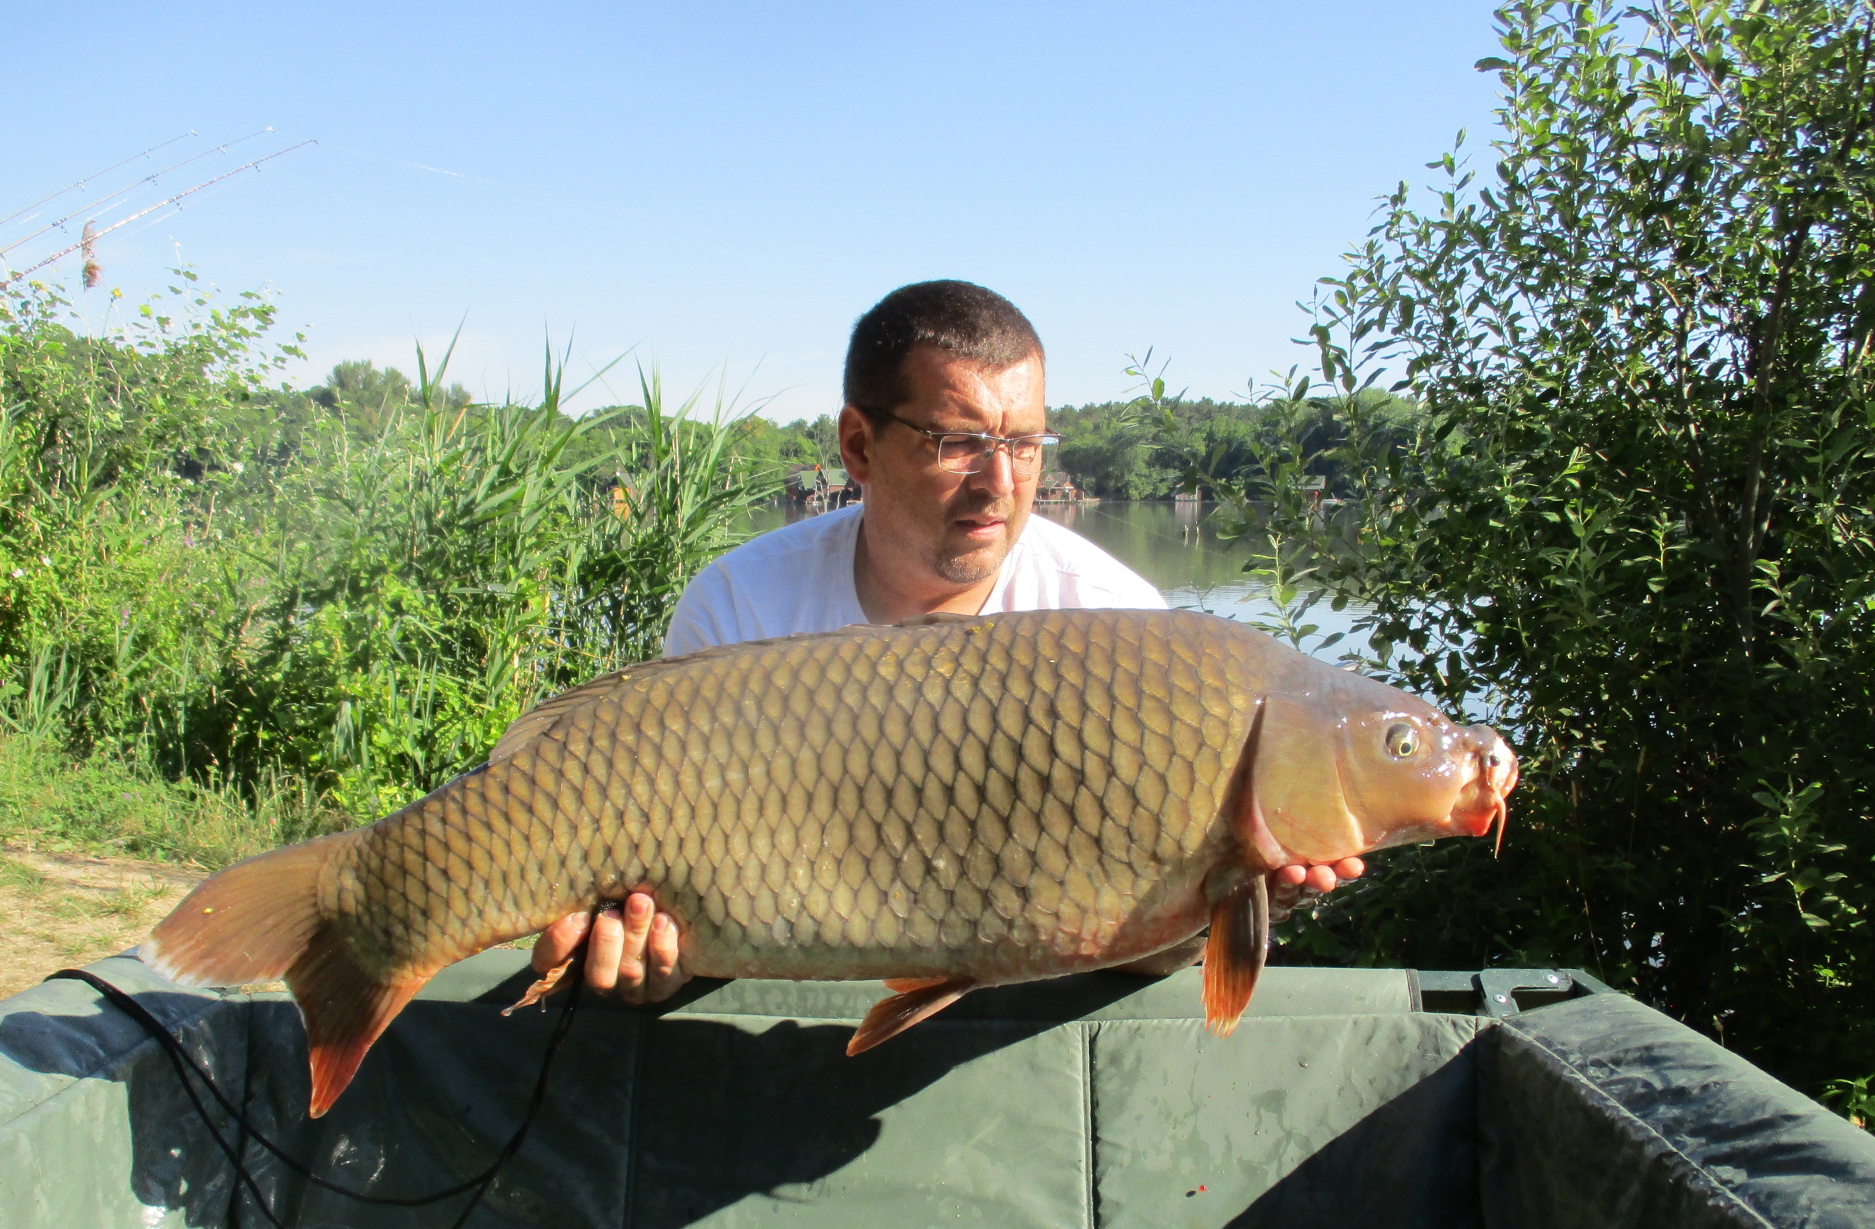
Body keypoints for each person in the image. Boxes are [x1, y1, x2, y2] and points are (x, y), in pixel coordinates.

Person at [533, 280, 1363, 1001]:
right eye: (959, 442)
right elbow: (667, 924)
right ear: (858, 446)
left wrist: (1232, 899)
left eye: (1025, 445)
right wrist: (651, 964)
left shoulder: (1117, 625)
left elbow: (1138, 948)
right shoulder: (741, 603)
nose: (1000, 483)